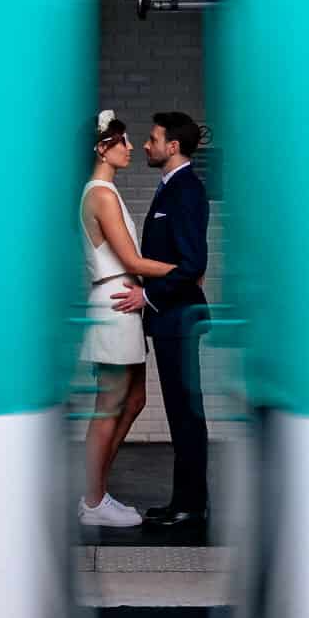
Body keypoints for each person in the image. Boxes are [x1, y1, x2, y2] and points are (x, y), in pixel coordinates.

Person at [79, 110, 179, 528]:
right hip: (115, 299)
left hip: (124, 300)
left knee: (134, 399)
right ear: (104, 148)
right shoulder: (101, 194)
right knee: (108, 407)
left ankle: (97, 490)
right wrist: (184, 270)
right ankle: (93, 499)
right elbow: (132, 259)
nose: (132, 147)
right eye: (123, 141)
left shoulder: (106, 192)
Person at [112, 111, 210, 530]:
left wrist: (147, 295)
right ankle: (182, 501)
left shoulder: (187, 189)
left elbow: (192, 264)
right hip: (170, 319)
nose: (146, 146)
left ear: (173, 147)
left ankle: (191, 505)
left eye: (153, 139)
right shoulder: (171, 187)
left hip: (179, 318)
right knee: (180, 412)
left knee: (186, 413)